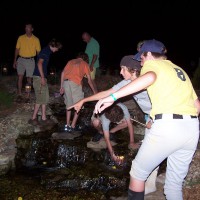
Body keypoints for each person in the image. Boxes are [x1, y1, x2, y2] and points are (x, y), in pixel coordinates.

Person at [94, 39, 200, 200]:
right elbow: (197, 105)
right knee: (174, 185)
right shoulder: (180, 71)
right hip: (191, 128)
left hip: (168, 125)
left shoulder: (152, 66)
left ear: (149, 54)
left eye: (141, 57)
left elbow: (149, 77)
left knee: (137, 172)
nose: (141, 61)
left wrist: (113, 97)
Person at [68, 56, 152, 160]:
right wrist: (83, 100)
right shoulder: (126, 82)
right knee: (149, 150)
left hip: (160, 114)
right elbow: (106, 93)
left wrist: (154, 118)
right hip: (151, 115)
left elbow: (161, 98)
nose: (120, 72)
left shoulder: (148, 79)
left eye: (123, 69)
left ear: (133, 70)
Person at [60, 52, 97, 132]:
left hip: (66, 83)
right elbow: (89, 80)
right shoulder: (85, 64)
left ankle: (67, 125)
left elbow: (63, 73)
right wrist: (95, 92)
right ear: (86, 59)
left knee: (68, 105)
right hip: (75, 84)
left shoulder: (70, 61)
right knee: (78, 105)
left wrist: (61, 86)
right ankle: (73, 126)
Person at [28, 38, 62, 126]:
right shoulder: (46, 51)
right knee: (40, 98)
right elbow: (39, 63)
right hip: (39, 77)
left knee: (45, 98)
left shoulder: (47, 51)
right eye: (57, 48)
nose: (57, 50)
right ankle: (33, 118)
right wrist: (42, 77)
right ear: (54, 46)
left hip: (41, 77)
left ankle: (43, 117)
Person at [13, 23, 41, 97]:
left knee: (29, 78)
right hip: (21, 59)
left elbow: (38, 52)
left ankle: (27, 94)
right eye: (26, 27)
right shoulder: (20, 38)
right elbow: (17, 49)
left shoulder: (36, 39)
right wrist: (15, 60)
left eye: (28, 27)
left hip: (30, 60)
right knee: (20, 77)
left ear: (32, 29)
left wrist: (39, 62)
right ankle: (19, 93)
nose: (26, 29)